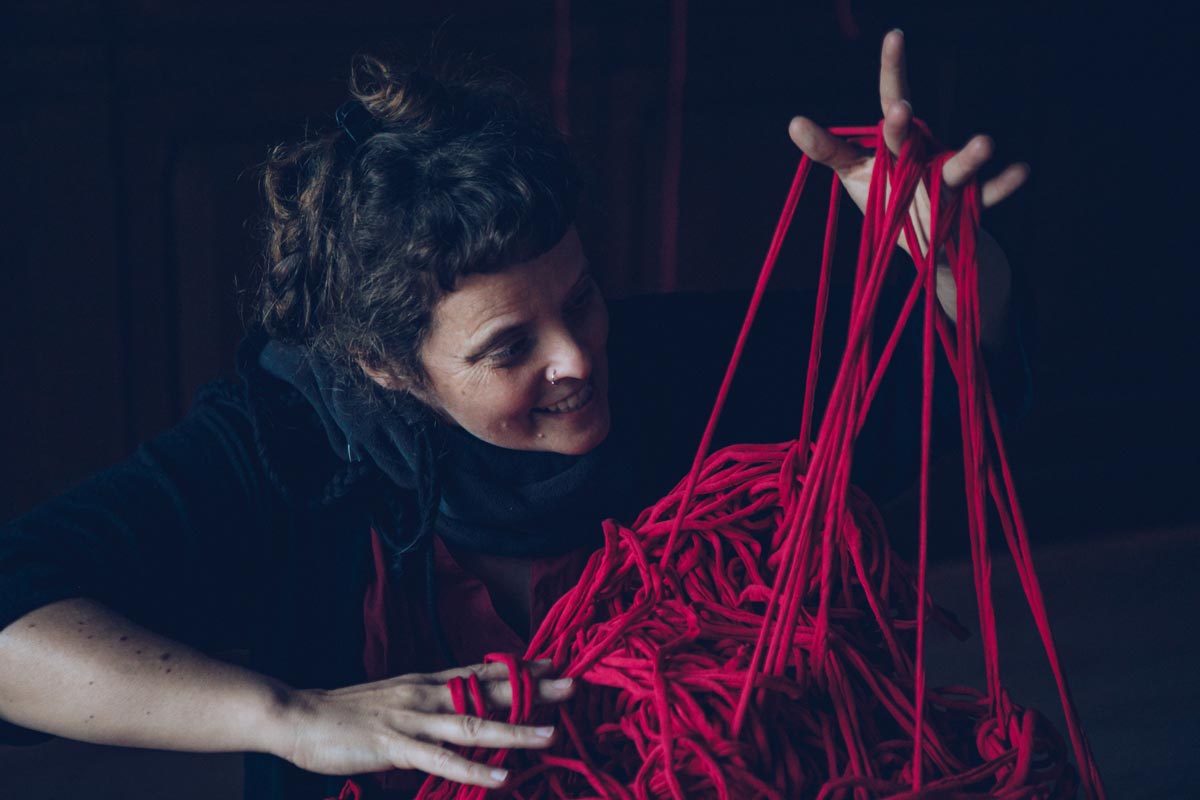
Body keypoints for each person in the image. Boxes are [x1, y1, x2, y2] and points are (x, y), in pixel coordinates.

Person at [0, 31, 1030, 800]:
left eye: (579, 297)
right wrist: (297, 717)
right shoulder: (279, 446)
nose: (580, 358)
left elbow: (933, 399)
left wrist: (950, 272)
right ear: (386, 365)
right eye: (508, 348)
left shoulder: (681, 369)